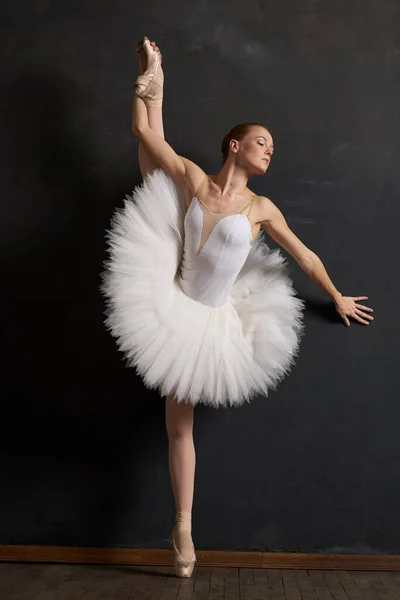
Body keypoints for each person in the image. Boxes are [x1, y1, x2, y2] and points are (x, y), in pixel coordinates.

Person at [101, 37, 374, 577]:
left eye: (272, 146)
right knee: (176, 428)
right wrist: (143, 87)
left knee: (182, 428)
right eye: (261, 141)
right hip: (170, 302)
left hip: (213, 320)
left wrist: (336, 294)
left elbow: (305, 254)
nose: (270, 149)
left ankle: (183, 525)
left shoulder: (261, 208)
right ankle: (184, 529)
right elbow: (143, 133)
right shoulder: (196, 182)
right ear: (234, 145)